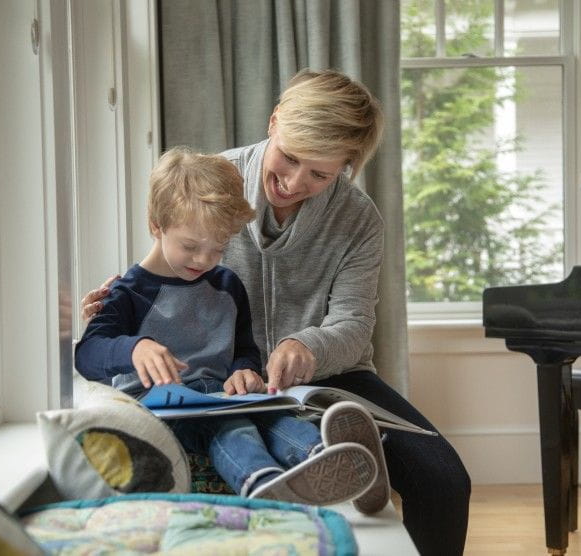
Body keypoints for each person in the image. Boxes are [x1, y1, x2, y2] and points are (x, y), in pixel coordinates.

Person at [81, 70, 471, 555]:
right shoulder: (210, 184)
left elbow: (353, 324)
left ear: (346, 167)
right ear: (273, 122)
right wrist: (119, 301)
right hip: (222, 382)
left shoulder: (359, 219)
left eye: (320, 174)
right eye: (289, 158)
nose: (293, 182)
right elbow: (169, 264)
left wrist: (305, 345)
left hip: (330, 377)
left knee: (444, 480)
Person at [74, 147, 389, 507]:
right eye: (191, 246)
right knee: (231, 428)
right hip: (168, 411)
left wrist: (244, 373)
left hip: (224, 400)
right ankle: (262, 483)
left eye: (219, 247)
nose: (205, 260)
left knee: (276, 416)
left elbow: (243, 350)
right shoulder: (126, 293)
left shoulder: (226, 285)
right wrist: (134, 348)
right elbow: (87, 355)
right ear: (156, 225)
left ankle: (342, 462)